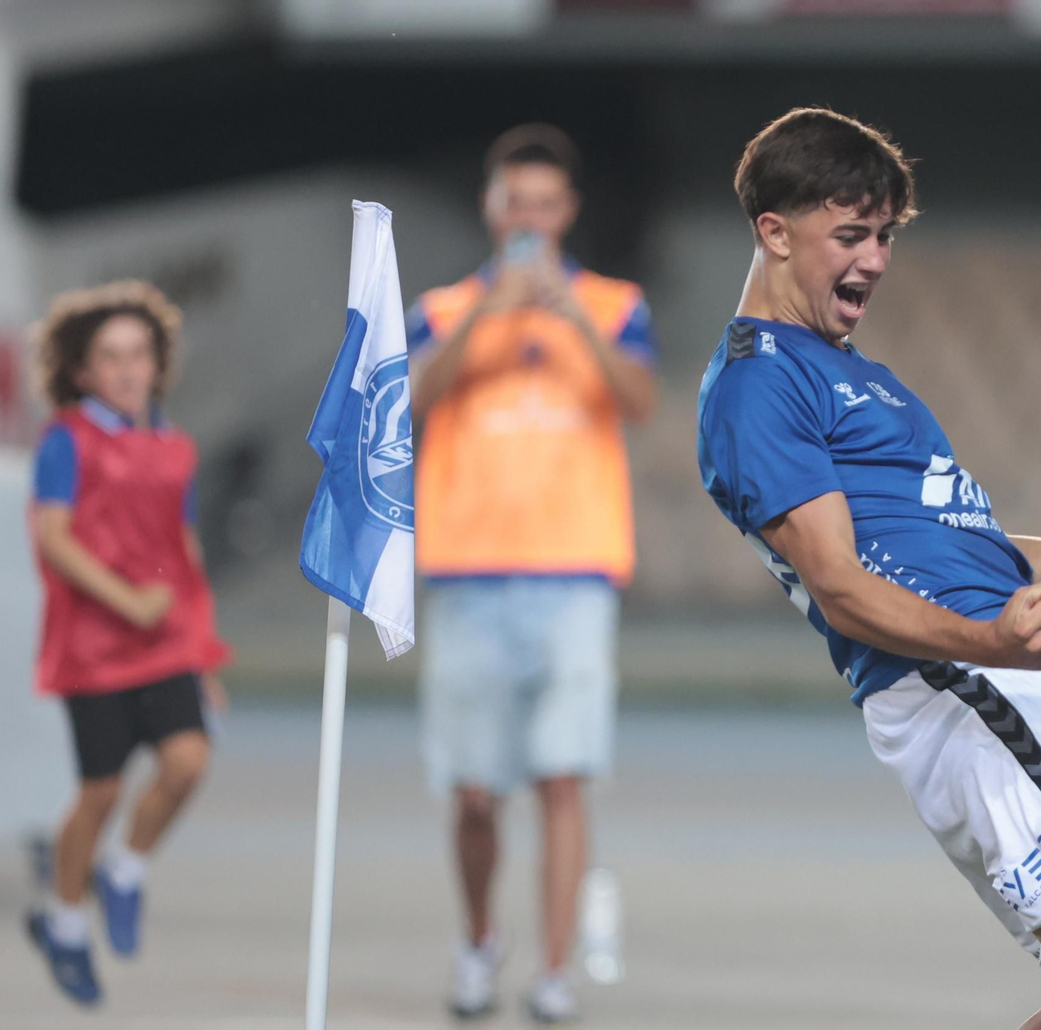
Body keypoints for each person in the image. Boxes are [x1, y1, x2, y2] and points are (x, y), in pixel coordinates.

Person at [696, 108, 1041, 1030]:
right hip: (959, 684)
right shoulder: (760, 382)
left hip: (1012, 673)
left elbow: (979, 546)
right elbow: (842, 587)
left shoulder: (851, 369)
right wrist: (992, 645)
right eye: (850, 234)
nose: (874, 259)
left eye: (885, 235)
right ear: (773, 232)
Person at [407, 123, 658, 1023]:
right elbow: (409, 400)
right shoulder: (440, 310)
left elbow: (637, 399)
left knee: (563, 775)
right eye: (516, 201)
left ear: (568, 212)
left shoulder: (613, 303)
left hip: (574, 572)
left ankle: (553, 972)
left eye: (545, 204)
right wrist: (488, 312)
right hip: (469, 573)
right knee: (475, 790)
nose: (530, 217)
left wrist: (566, 320)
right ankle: (479, 938)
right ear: (491, 206)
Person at [23, 280, 230, 1006]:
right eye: (109, 357)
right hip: (94, 645)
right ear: (82, 371)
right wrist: (125, 601)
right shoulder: (67, 442)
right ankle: (66, 921)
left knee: (188, 761)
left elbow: (186, 549)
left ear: (157, 362)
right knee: (101, 790)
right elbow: (54, 538)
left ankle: (127, 870)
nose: (126, 369)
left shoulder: (175, 449)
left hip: (164, 638)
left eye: (137, 354)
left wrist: (200, 648)